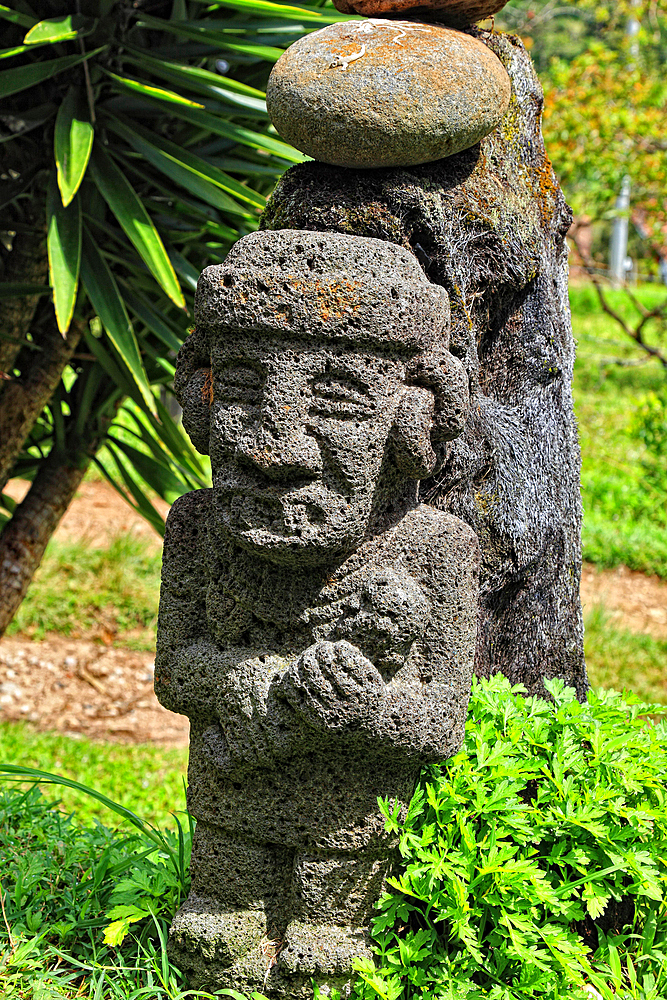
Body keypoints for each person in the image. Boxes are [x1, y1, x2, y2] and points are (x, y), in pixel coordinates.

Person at [155, 229, 480, 996]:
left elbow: (436, 724)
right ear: (201, 399)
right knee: (211, 941)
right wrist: (249, 681)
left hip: (349, 823)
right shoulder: (199, 529)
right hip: (229, 804)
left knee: (323, 960)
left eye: (336, 400)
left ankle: (329, 923)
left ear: (408, 422)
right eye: (239, 388)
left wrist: (357, 704)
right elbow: (175, 671)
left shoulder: (433, 548)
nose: (276, 447)